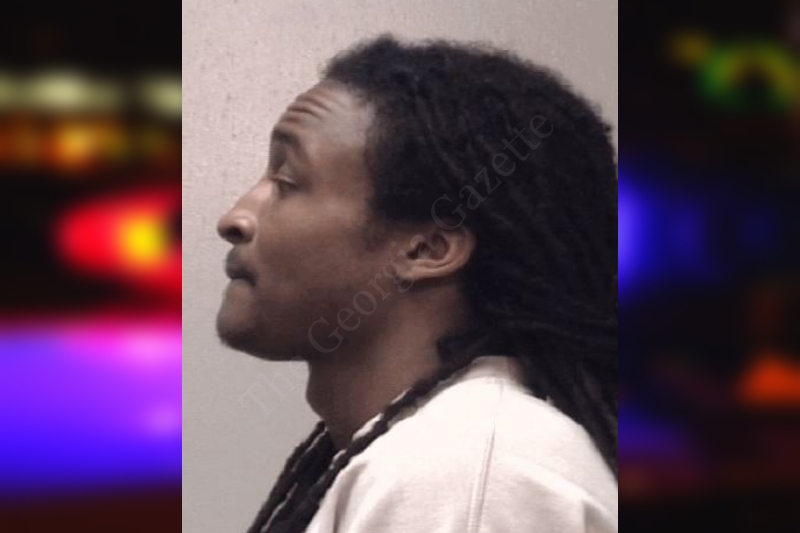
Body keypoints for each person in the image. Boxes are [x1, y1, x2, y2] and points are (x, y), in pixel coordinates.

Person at [216, 34, 617, 533]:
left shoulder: (462, 474)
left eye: (287, 182)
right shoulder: (441, 457)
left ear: (428, 249)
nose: (235, 219)